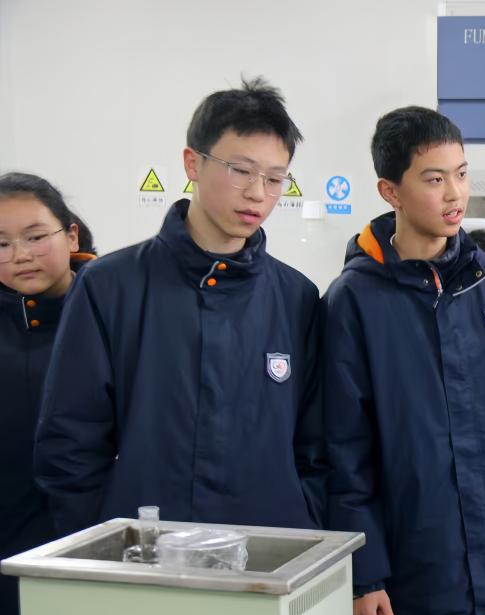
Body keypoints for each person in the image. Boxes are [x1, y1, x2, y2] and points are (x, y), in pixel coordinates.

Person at [325, 107, 485, 615]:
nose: (455, 193)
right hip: (407, 577)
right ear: (391, 191)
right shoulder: (353, 301)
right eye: (434, 179)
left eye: (461, 173)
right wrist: (364, 574)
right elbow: (341, 450)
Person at [34, 77, 325, 534]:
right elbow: (71, 441)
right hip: (143, 553)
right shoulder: (110, 287)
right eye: (241, 170)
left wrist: (299, 518)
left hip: (268, 552)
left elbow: (316, 446)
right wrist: (102, 540)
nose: (257, 193)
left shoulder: (297, 298)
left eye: (274, 179)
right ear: (193, 163)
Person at [0, 173, 96, 615]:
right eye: (1, 244)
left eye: (35, 237)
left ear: (71, 235)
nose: (19, 255)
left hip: (91, 553)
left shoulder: (112, 313)